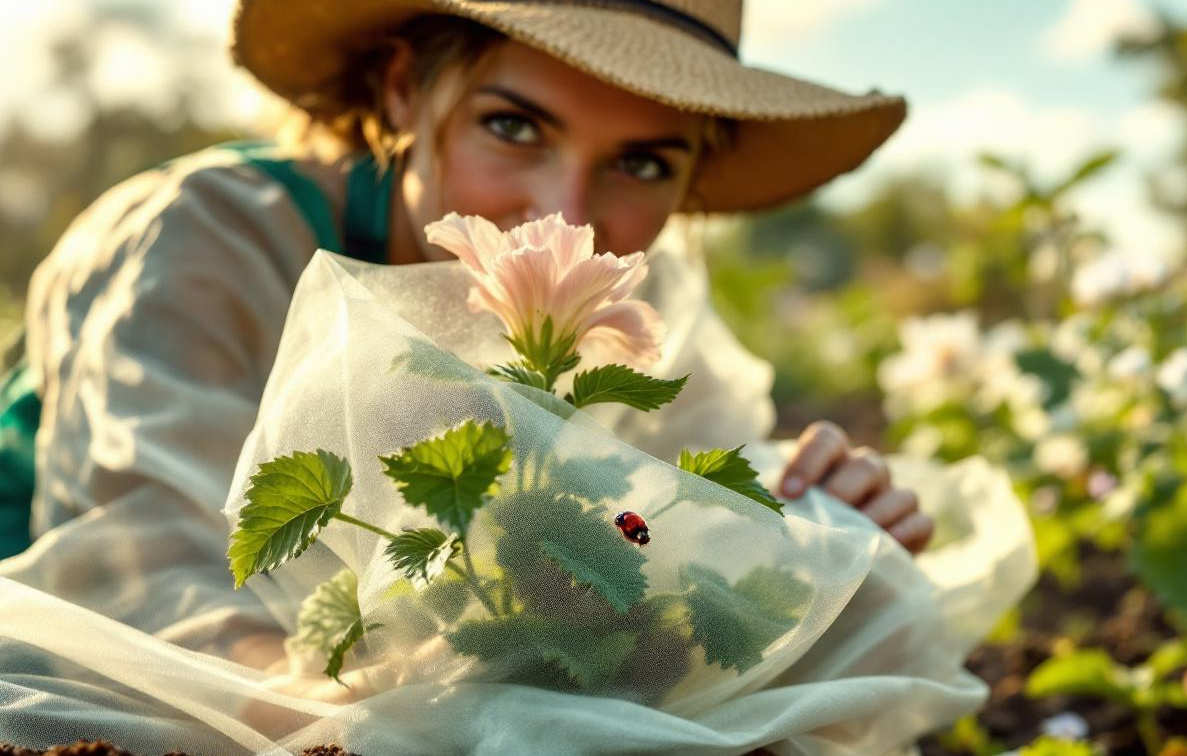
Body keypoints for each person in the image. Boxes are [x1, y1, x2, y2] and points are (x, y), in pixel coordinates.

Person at [0, 2, 1035, 753]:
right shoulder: (206, 238)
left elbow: (669, 529)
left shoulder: (635, 288)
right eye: (515, 126)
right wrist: (452, 707)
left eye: (642, 163)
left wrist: (800, 524)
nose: (566, 216)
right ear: (408, 86)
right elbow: (152, 589)